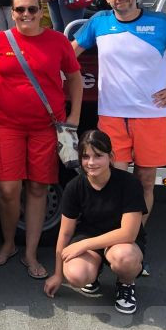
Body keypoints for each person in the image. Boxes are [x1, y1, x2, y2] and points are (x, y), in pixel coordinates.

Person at [72, 0, 166, 275]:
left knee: (145, 181)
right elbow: (69, 54)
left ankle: (135, 242)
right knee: (111, 183)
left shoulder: (159, 23)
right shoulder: (99, 22)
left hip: (153, 116)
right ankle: (109, 246)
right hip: (113, 115)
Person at [0, 0, 83, 279]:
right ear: (12, 12)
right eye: (20, 9)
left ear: (41, 11)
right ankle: (9, 244)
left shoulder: (58, 41)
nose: (26, 14)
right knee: (8, 190)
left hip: (46, 128)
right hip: (7, 126)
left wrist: (74, 116)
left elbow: (74, 78)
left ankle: (30, 253)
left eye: (32, 9)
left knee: (37, 189)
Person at [44, 130, 147, 314]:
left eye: (98, 156)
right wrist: (58, 274)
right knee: (75, 275)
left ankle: (126, 284)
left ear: (111, 157)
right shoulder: (74, 186)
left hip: (122, 242)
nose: (91, 162)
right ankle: (94, 272)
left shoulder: (129, 183)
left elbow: (128, 233)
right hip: (89, 236)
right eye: (86, 157)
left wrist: (83, 245)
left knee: (125, 258)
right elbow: (65, 232)